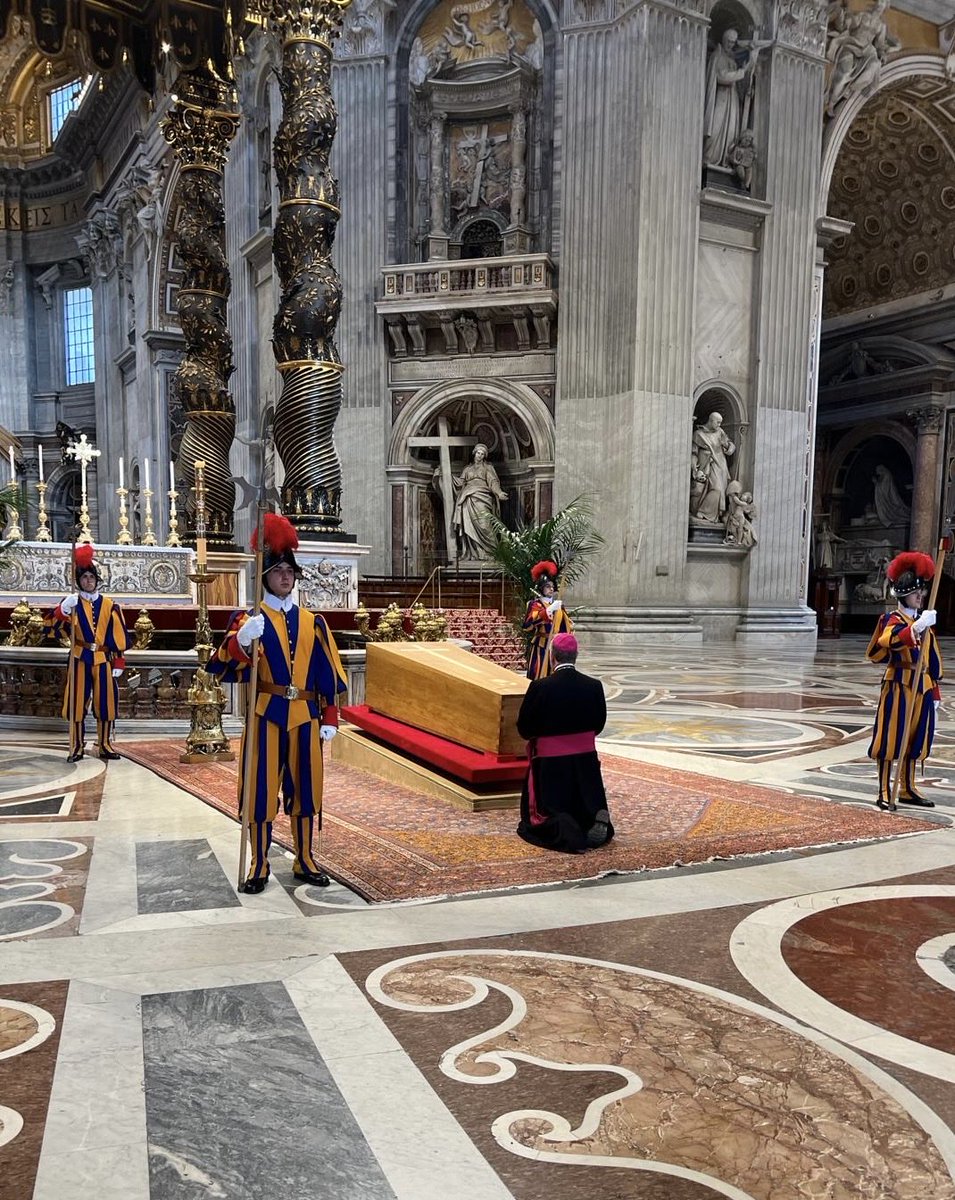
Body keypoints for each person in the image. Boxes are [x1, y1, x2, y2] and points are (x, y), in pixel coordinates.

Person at [208, 513, 348, 894]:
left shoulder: (312, 621)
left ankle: (305, 858)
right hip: (266, 714)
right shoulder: (250, 619)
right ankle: (260, 862)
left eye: (290, 570)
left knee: (305, 788)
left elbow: (326, 673)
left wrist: (330, 715)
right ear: (266, 574)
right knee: (260, 790)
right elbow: (222, 664)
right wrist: (242, 641)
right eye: (279, 570)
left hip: (305, 715)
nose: (286, 576)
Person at [516, 632, 613, 854]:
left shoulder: (540, 687)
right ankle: (593, 819)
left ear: (552, 657)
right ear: (576, 656)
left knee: (545, 815)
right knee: (586, 801)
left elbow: (524, 728)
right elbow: (599, 724)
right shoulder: (594, 686)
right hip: (585, 759)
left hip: (550, 764)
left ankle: (568, 831)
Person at [866, 550, 942, 810]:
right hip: (899, 683)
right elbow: (886, 642)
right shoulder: (892, 619)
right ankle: (884, 790)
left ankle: (908, 787)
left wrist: (935, 694)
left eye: (922, 592)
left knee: (916, 737)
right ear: (903, 594)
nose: (921, 596)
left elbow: (932, 660)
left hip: (922, 686)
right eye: (916, 592)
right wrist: (916, 629)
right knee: (891, 737)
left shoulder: (923, 621)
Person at [52, 544, 128, 762]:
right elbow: (53, 626)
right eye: (84, 577)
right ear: (79, 581)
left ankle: (104, 744)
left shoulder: (110, 605)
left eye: (91, 577)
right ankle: (76, 746)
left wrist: (119, 662)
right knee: (77, 703)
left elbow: (118, 635)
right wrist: (63, 609)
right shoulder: (72, 604)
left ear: (97, 579)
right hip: (79, 658)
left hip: (103, 658)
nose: (88, 581)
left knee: (105, 703)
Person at [703, 29, 757, 169]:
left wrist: (747, 87)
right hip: (720, 97)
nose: (731, 45)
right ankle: (709, 159)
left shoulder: (732, 60)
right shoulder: (717, 56)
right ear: (724, 39)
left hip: (732, 100)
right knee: (715, 131)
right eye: (729, 41)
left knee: (732, 133)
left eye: (733, 42)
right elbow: (722, 77)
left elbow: (738, 83)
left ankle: (726, 161)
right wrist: (742, 72)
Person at [451, 443, 508, 560]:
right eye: (478, 453)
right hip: (468, 498)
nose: (480, 456)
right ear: (474, 453)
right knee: (469, 525)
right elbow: (460, 483)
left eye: (482, 454)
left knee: (485, 524)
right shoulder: (467, 469)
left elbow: (493, 482)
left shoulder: (488, 468)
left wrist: (499, 493)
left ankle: (493, 552)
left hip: (482, 497)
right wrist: (447, 475)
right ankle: (475, 553)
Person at [523, 559, 573, 680]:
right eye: (547, 586)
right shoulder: (535, 604)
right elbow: (527, 625)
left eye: (552, 587)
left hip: (556, 646)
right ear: (541, 588)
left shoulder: (559, 605)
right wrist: (548, 611)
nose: (551, 589)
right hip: (541, 646)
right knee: (539, 674)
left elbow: (566, 626)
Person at [690, 412, 736, 522]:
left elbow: (729, 444)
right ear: (711, 421)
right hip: (705, 463)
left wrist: (729, 447)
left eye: (721, 422)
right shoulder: (698, 434)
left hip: (720, 464)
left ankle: (712, 515)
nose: (719, 425)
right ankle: (703, 511)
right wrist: (694, 466)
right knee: (717, 489)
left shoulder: (720, 432)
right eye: (718, 422)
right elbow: (694, 452)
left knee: (720, 489)